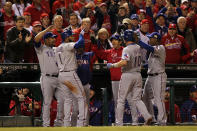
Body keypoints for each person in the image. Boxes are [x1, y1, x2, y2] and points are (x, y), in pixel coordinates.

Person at [107, 29, 152, 126]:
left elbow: (124, 62)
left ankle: (119, 123)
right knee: (137, 99)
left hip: (128, 74)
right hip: (138, 74)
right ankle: (147, 116)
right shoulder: (138, 47)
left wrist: (113, 65)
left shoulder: (127, 49)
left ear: (126, 38)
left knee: (121, 99)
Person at [53, 28, 88, 127]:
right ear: (67, 37)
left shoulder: (58, 47)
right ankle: (81, 122)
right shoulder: (67, 45)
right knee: (81, 97)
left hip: (61, 75)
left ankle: (66, 124)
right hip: (70, 74)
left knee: (68, 99)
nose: (72, 37)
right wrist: (81, 34)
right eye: (71, 36)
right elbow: (80, 43)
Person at [137, 32, 167, 125]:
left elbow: (149, 48)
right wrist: (142, 66)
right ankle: (152, 118)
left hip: (159, 76)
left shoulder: (161, 47)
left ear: (156, 39)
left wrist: (138, 41)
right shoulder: (152, 52)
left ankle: (162, 121)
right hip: (150, 76)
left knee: (159, 98)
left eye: (151, 38)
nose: (149, 40)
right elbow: (151, 63)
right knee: (145, 96)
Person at [34, 25, 59, 127]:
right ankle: (46, 125)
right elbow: (36, 39)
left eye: (54, 38)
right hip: (47, 78)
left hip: (58, 78)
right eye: (51, 38)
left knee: (62, 100)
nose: (54, 39)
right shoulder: (41, 48)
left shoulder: (56, 49)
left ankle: (60, 123)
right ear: (46, 39)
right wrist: (47, 30)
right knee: (47, 102)